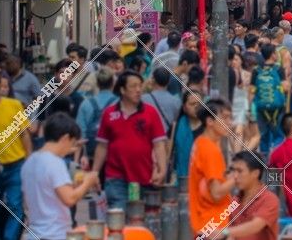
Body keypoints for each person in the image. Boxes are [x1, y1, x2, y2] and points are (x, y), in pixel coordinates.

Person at [92, 71, 168, 209]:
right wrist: (94, 173)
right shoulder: (109, 114)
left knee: (141, 221)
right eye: (133, 86)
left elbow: (159, 145)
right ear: (122, 90)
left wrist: (162, 170)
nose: (138, 90)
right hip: (116, 178)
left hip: (145, 178)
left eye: (140, 86)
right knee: (119, 216)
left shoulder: (150, 113)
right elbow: (102, 146)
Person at [22, 114, 99, 240]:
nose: (71, 148)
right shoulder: (55, 163)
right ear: (65, 138)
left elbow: (29, 201)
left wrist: (73, 187)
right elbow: (69, 199)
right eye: (72, 143)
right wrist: (88, 181)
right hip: (55, 234)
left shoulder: (30, 162)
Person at [0, 70, 31, 240]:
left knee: (16, 206)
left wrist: (29, 161)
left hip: (16, 163)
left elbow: (25, 134)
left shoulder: (13, 105)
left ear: (0, 85)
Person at [187, 98, 236, 236]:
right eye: (225, 118)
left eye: (230, 118)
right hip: (213, 225)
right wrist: (237, 177)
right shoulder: (210, 150)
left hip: (203, 223)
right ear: (210, 121)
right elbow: (216, 193)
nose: (229, 123)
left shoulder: (200, 143)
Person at [226, 151, 280, 240]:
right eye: (234, 171)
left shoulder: (269, 199)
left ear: (255, 173)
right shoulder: (233, 202)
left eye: (240, 171)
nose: (235, 176)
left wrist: (225, 232)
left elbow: (255, 226)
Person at [251, 44, 290, 159]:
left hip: (260, 107)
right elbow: (285, 87)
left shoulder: (256, 70)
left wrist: (249, 109)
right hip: (278, 108)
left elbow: (251, 90)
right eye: (276, 52)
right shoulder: (278, 69)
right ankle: (276, 160)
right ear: (273, 55)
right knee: (278, 134)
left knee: (263, 135)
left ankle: (265, 161)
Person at [144, 67, 181, 133]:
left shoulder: (144, 99)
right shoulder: (176, 102)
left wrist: (145, 84)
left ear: (153, 81)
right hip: (166, 138)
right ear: (169, 82)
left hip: (148, 135)